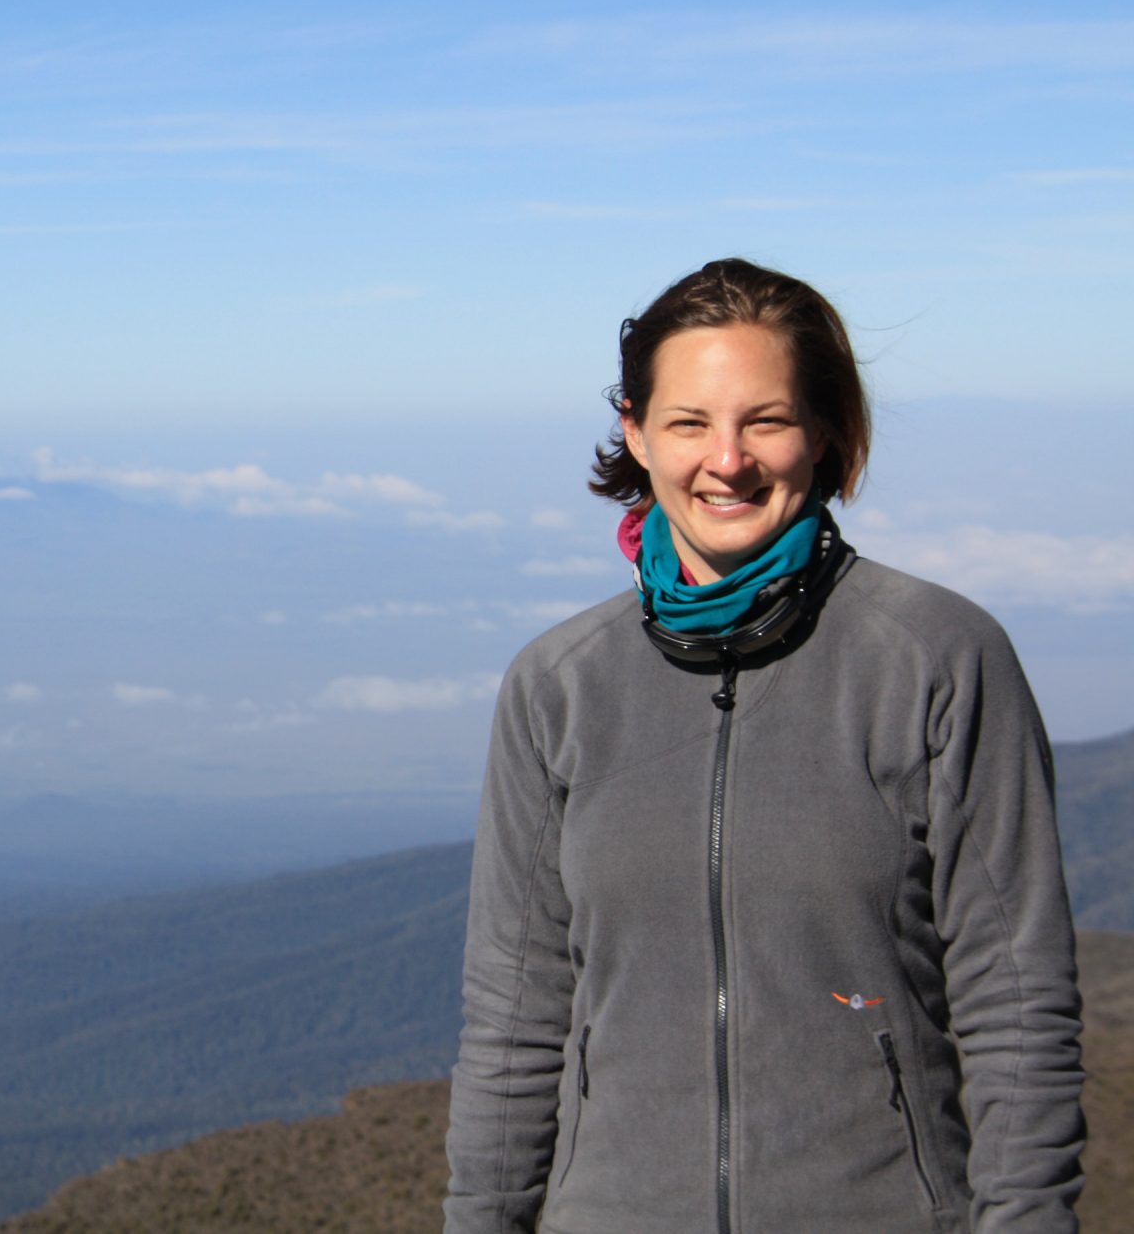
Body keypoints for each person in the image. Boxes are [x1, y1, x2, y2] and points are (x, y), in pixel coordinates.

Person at [443, 259, 1084, 1233]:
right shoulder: (557, 686)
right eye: (689, 421)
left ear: (822, 435)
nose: (727, 459)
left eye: (766, 420)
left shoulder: (935, 660)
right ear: (636, 432)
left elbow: (1016, 1002)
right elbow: (514, 1018)